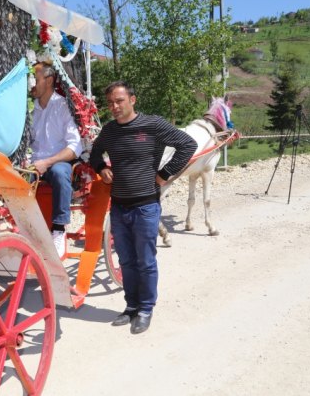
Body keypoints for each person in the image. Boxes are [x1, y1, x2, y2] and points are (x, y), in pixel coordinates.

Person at [89, 81, 197, 335]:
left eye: (119, 101)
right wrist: (101, 168)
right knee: (126, 260)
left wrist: (164, 174)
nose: (114, 107)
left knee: (145, 261)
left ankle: (146, 308)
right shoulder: (110, 131)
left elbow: (187, 145)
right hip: (118, 207)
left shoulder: (152, 125)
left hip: (145, 206)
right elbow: (95, 153)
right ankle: (131, 306)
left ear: (132, 100)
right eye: (111, 103)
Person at [30, 62, 82, 258]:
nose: (31, 84)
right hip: (33, 164)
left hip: (56, 162)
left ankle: (59, 229)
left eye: (35, 79)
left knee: (60, 173)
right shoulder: (29, 108)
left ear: (49, 80)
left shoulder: (63, 106)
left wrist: (47, 162)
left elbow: (74, 147)